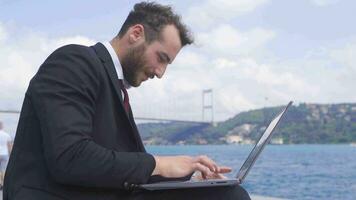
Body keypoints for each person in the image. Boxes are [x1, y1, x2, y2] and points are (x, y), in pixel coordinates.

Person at [3, 2, 251, 200]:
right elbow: (71, 158)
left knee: (221, 193)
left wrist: (189, 178)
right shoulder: (73, 62)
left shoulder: (116, 88)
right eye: (161, 58)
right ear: (136, 33)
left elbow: (128, 168)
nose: (161, 73)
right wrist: (160, 163)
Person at [0, 121, 12, 189]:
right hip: (5, 154)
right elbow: (9, 146)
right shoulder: (7, 135)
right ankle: (3, 183)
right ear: (2, 126)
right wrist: (10, 154)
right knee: (3, 169)